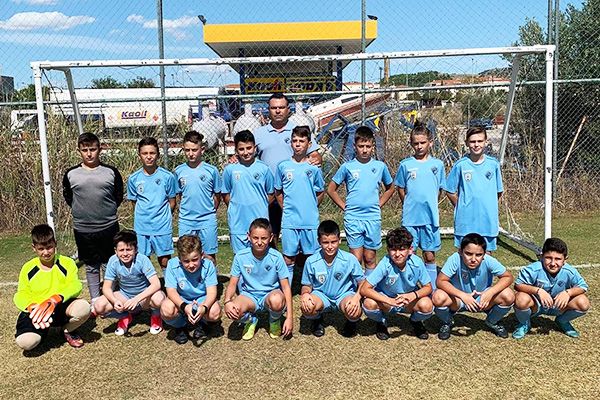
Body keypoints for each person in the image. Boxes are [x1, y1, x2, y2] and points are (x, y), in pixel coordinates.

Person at [252, 93, 322, 246]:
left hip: (293, 194)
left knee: (299, 240)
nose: (278, 111)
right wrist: (234, 158)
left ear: (288, 109)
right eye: (274, 108)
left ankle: (298, 261)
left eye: (281, 107)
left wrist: (316, 159)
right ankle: (273, 260)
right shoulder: (259, 133)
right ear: (268, 110)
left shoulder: (298, 131)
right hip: (269, 193)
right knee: (269, 234)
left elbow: (315, 155)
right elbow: (247, 154)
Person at [63, 132, 123, 306]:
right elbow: (69, 197)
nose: (89, 154)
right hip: (83, 228)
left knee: (108, 263)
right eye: (85, 150)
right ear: (79, 151)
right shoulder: (71, 174)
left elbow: (118, 196)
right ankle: (95, 300)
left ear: (100, 149)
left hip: (108, 226)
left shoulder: (111, 172)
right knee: (91, 265)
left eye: (93, 149)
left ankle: (111, 297)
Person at [328, 126, 394, 272]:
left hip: (372, 218)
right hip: (353, 218)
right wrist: (344, 206)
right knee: (356, 258)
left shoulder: (380, 166)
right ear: (354, 146)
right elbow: (331, 189)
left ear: (373, 146)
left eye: (368, 146)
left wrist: (379, 204)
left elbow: (390, 188)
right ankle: (356, 285)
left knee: (370, 258)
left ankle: (370, 285)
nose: (364, 150)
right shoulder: (347, 167)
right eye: (361, 146)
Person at [14, 224, 90, 351]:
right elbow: (21, 294)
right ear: (34, 248)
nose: (46, 252)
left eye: (49, 247)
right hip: (37, 311)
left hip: (59, 306)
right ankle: (42, 331)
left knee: (84, 308)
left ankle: (66, 330)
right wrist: (31, 306)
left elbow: (75, 285)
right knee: (26, 343)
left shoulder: (67, 263)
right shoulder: (27, 268)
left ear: (55, 244)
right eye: (41, 249)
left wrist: (55, 299)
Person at [433, 233, 515, 340]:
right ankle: (447, 322)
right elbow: (440, 281)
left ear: (484, 254)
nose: (473, 259)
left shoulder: (488, 260)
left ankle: (492, 321)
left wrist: (489, 293)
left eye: (478, 255)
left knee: (508, 295)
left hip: (482, 299)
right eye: (468, 254)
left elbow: (508, 277)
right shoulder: (455, 259)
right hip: (458, 299)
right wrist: (462, 295)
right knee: (438, 296)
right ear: (460, 251)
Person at [223, 218, 293, 340]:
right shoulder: (240, 257)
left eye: (264, 238)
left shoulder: (276, 257)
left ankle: (274, 320)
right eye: (255, 238)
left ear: (271, 238)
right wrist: (227, 301)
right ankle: (251, 320)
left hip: (270, 295)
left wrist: (289, 318)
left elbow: (286, 287)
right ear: (248, 236)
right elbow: (233, 283)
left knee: (276, 300)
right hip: (249, 296)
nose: (259, 242)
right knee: (233, 309)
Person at [395, 122, 446, 288]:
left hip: (430, 219)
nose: (419, 146)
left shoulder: (437, 165)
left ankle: (431, 289)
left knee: (429, 256)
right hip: (411, 219)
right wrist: (408, 205)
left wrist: (431, 204)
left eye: (423, 142)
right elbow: (400, 188)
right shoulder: (405, 165)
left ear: (430, 142)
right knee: (409, 254)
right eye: (416, 143)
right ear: (411, 144)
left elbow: (440, 189)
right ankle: (409, 287)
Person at [360, 227, 433, 340]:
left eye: (402, 249)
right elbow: (365, 289)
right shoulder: (385, 263)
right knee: (369, 303)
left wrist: (412, 295)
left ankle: (415, 321)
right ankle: (381, 322)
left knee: (427, 305)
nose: (397, 254)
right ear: (388, 250)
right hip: (387, 300)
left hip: (408, 300)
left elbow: (428, 287)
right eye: (393, 249)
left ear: (410, 249)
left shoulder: (417, 262)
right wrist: (389, 300)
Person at [274, 125, 325, 285]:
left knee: (313, 257)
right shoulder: (283, 166)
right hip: (290, 221)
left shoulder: (314, 168)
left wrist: (311, 207)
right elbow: (278, 192)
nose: (297, 144)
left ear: (309, 144)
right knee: (288, 258)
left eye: (301, 141)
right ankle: (287, 290)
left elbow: (320, 192)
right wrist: (286, 208)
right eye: (294, 140)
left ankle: (312, 289)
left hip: (310, 221)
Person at [512, 238, 590, 339]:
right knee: (520, 298)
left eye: (558, 259)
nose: (553, 263)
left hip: (558, 306)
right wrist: (538, 291)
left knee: (583, 302)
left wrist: (568, 293)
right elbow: (518, 285)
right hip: (536, 305)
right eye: (548, 258)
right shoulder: (533, 269)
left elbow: (583, 286)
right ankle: (525, 323)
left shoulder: (569, 271)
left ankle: (562, 321)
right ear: (541, 257)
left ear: (565, 260)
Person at [92, 230, 165, 336]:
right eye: (121, 250)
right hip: (125, 296)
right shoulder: (113, 261)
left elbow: (156, 284)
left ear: (136, 249)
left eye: (129, 249)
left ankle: (156, 316)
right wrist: (115, 301)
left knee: (159, 299)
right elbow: (106, 287)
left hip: (145, 297)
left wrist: (136, 299)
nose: (125, 254)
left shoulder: (142, 260)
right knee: (99, 306)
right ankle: (124, 316)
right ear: (116, 251)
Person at [300, 220, 364, 338]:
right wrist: (305, 294)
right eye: (325, 242)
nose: (330, 246)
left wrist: (357, 297)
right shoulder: (311, 261)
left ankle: (351, 322)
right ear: (319, 241)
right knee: (307, 307)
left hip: (344, 295)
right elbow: (306, 285)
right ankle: (317, 319)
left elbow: (362, 283)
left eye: (333, 242)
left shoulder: (350, 259)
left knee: (354, 310)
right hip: (321, 295)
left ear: (339, 240)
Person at [445, 126, 503, 251]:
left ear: (486, 142)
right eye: (472, 141)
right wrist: (461, 206)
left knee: (486, 256)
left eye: (480, 141)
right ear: (466, 143)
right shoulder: (460, 165)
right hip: (465, 221)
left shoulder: (493, 164)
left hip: (487, 221)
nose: (476, 145)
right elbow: (449, 190)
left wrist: (488, 205)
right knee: (465, 255)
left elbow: (498, 192)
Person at [160, 234, 222, 345]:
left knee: (215, 312)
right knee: (166, 309)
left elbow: (212, 292)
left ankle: (203, 324)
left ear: (202, 255)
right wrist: (184, 306)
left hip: (202, 298)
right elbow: (171, 291)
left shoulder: (208, 265)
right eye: (186, 261)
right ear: (179, 259)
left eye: (195, 259)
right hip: (182, 299)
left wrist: (204, 308)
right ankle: (180, 326)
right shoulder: (172, 265)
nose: (191, 265)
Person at [127, 137, 177, 270]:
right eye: (145, 153)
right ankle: (146, 283)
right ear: (139, 155)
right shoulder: (133, 178)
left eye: (152, 153)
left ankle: (168, 281)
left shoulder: (168, 177)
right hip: (142, 227)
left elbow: (172, 202)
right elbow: (134, 202)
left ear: (158, 155)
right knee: (143, 260)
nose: (149, 157)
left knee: (165, 260)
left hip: (162, 226)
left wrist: (163, 217)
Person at [222, 130, 274, 253]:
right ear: (236, 150)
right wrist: (236, 206)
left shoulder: (264, 168)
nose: (246, 152)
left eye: (249, 148)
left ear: (255, 148)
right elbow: (225, 193)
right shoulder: (230, 169)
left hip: (259, 221)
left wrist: (260, 205)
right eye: (241, 149)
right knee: (240, 257)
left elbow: (271, 194)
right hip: (238, 222)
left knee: (260, 256)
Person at [174, 130, 221, 264]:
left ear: (202, 149)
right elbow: (179, 195)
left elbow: (217, 195)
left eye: (194, 150)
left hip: (207, 219)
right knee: (186, 253)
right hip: (186, 220)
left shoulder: (212, 170)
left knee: (209, 256)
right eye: (187, 150)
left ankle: (211, 277)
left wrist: (209, 211)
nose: (191, 153)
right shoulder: (178, 171)